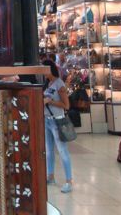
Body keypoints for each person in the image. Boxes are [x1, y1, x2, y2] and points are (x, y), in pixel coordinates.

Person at [42, 59, 73, 193]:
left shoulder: (59, 84)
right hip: (47, 120)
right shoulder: (48, 83)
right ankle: (50, 176)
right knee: (48, 151)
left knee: (62, 151)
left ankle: (69, 181)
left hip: (57, 120)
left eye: (44, 69)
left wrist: (51, 101)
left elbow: (66, 106)